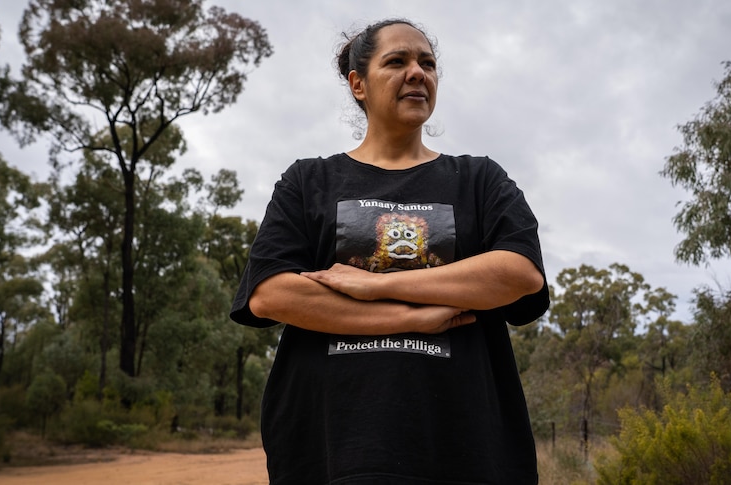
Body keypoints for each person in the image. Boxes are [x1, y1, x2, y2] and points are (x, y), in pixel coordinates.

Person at [230, 18, 549, 484]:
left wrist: (374, 285)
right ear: (358, 84)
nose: (418, 73)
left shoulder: (480, 179)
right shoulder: (307, 181)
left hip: (466, 450)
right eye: (397, 61)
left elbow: (519, 272)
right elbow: (271, 295)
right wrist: (412, 317)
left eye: (428, 63)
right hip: (334, 450)